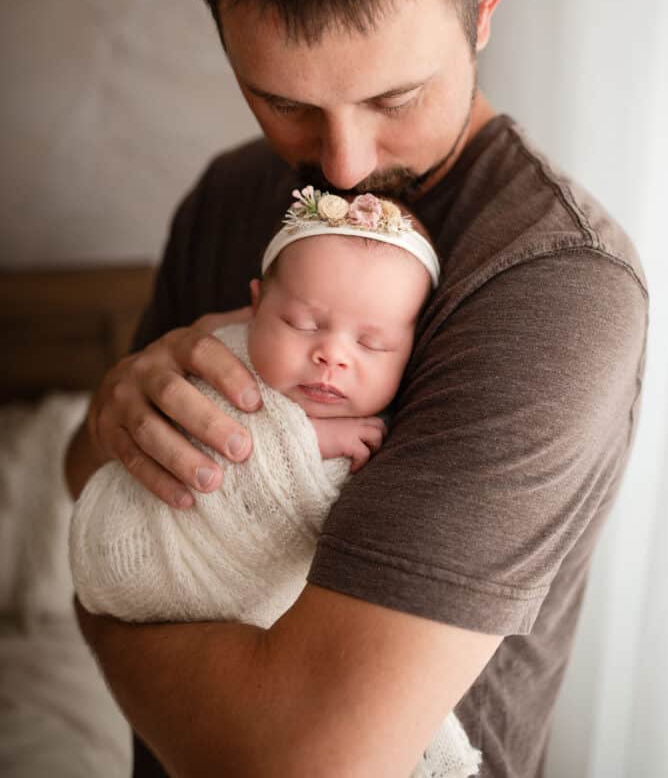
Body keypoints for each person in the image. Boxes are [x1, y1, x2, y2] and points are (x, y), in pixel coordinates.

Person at [65, 0, 648, 776]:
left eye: (395, 97)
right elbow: (83, 474)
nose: (340, 165)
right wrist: (118, 408)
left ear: (486, 3)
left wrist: (99, 609)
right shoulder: (226, 195)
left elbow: (303, 762)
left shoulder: (558, 288)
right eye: (285, 101)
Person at [70, 190, 483, 777]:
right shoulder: (220, 354)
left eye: (373, 343)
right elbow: (209, 437)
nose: (332, 356)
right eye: (302, 323)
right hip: (134, 542)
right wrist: (311, 442)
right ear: (257, 305)